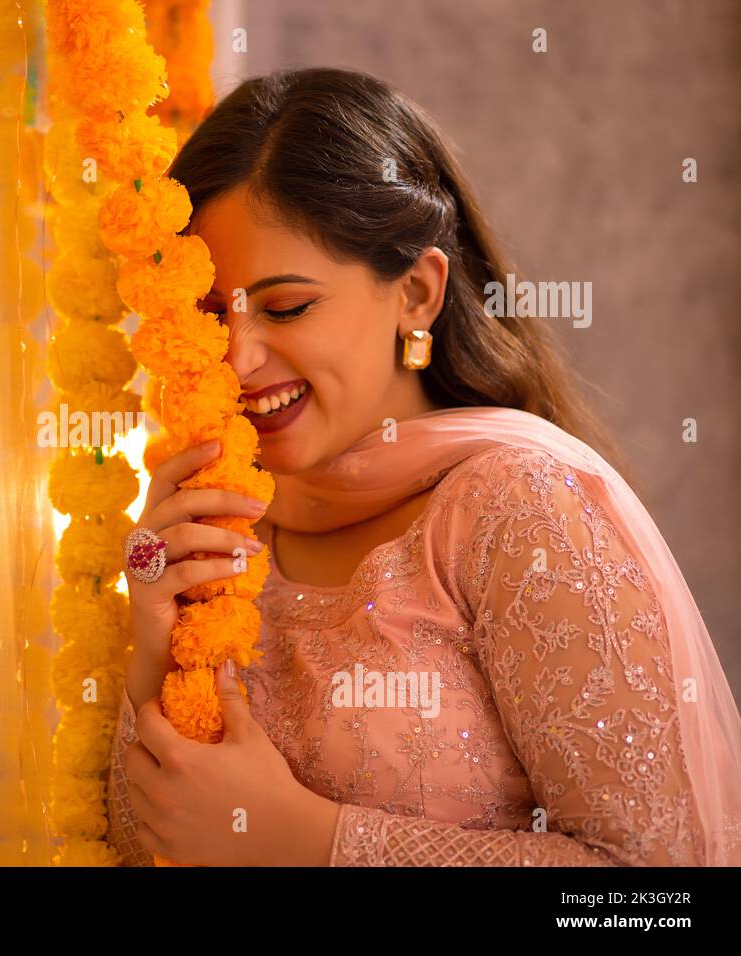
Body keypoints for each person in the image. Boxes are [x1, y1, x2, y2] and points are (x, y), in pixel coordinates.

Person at [109, 67, 741, 866]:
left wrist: (312, 845)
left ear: (415, 292)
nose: (240, 357)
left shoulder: (521, 509)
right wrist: (151, 657)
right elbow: (143, 850)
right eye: (209, 315)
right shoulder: (219, 530)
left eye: (286, 307)